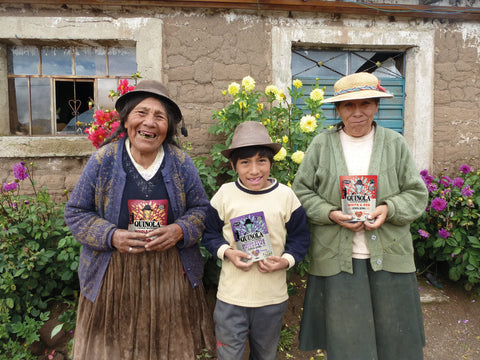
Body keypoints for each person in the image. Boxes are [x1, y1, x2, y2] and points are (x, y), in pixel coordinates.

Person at [64, 80, 215, 359]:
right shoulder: (103, 161)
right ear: (126, 120)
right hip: (113, 277)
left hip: (169, 278)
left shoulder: (181, 163)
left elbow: (202, 210)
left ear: (168, 126)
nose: (149, 123)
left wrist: (180, 230)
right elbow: (76, 212)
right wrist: (111, 236)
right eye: (141, 113)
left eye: (159, 117)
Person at [292, 72, 428, 360]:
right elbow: (301, 192)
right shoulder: (322, 144)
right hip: (338, 259)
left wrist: (388, 209)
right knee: (347, 343)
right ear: (338, 110)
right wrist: (330, 213)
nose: (357, 113)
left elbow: (416, 194)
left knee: (397, 339)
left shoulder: (394, 144)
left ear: (377, 105)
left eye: (365, 104)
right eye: (348, 106)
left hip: (389, 254)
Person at [202, 121, 310, 360]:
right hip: (232, 297)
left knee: (265, 354)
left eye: (261, 161)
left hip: (271, 298)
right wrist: (227, 252)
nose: (254, 170)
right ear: (233, 165)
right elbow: (209, 234)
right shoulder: (225, 195)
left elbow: (300, 237)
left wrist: (285, 261)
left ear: (272, 163)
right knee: (228, 355)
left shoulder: (286, 196)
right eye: (245, 162)